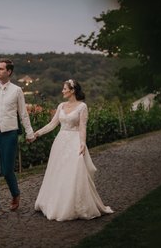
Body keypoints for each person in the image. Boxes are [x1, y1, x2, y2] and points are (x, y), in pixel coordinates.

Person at [33, 79, 113, 221]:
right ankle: (55, 202)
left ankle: (72, 205)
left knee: (74, 172)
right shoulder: (61, 106)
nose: (62, 91)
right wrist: (37, 134)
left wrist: (82, 143)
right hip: (60, 142)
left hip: (74, 141)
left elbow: (83, 126)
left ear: (72, 90)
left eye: (65, 89)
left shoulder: (82, 107)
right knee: (58, 172)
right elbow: (52, 124)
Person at [0, 58, 35, 221]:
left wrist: (29, 132)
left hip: (9, 134)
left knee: (7, 170)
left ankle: (15, 194)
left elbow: (23, 113)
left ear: (9, 72)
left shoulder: (17, 90)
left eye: (1, 69)